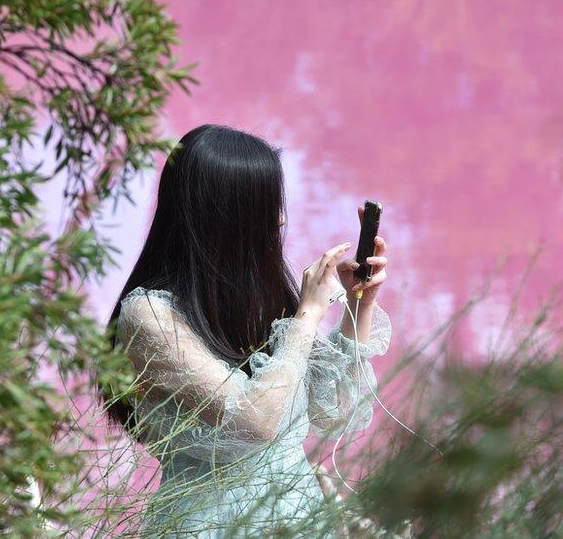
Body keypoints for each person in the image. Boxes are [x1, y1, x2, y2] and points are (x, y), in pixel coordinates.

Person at [106, 124, 391, 537]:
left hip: (300, 522)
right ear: (225, 216)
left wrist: (360, 303)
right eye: (266, 205)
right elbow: (256, 421)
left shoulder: (262, 295)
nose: (279, 219)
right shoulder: (149, 315)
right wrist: (307, 317)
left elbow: (334, 411)